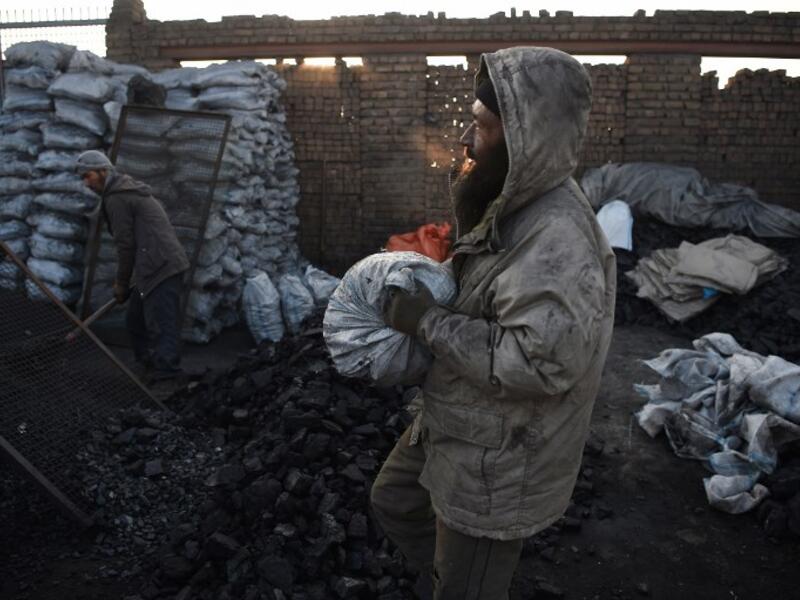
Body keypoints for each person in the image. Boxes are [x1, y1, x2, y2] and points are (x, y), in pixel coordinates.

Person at [374, 47, 617, 599]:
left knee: (470, 585)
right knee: (394, 500)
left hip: (502, 455)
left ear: (524, 138)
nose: (465, 140)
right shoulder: (513, 204)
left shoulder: (556, 236)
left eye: (481, 127)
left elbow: (536, 361)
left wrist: (429, 322)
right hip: (459, 419)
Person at [77, 150, 189, 377]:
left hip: (161, 265)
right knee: (135, 320)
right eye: (82, 178)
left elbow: (125, 245)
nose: (85, 183)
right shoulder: (123, 191)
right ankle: (146, 363)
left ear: (103, 171)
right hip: (150, 265)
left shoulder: (117, 198)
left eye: (87, 176)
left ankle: (167, 375)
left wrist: (120, 282)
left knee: (161, 324)